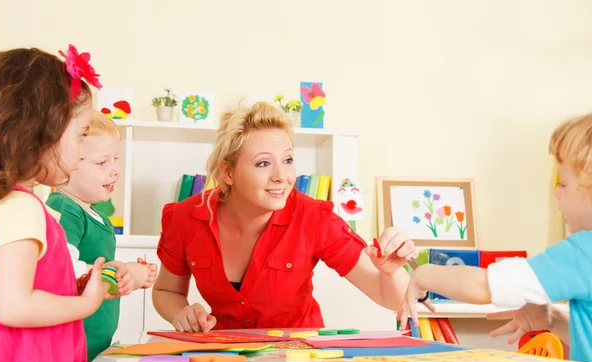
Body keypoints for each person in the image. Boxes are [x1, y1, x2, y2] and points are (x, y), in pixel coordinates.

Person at [152, 101, 424, 332]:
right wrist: (181, 313)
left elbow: (391, 298)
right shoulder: (186, 218)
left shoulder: (314, 219)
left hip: (298, 360)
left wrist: (389, 271)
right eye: (263, 163)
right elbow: (167, 292)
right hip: (224, 357)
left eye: (288, 160)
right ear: (227, 173)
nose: (282, 176)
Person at [398, 113, 592, 362]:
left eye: (563, 184)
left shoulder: (581, 253)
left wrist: (425, 274)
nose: (556, 192)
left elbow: (484, 285)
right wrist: (552, 320)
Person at [0, 45, 106, 362]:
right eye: (81, 134)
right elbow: (13, 305)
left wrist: (72, 286)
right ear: (40, 133)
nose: (84, 151)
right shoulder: (21, 208)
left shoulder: (15, 204)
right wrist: (86, 304)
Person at [46, 111, 158, 362]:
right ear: (67, 163)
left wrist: (132, 276)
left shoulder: (98, 217)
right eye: (101, 163)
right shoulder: (65, 209)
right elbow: (63, 269)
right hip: (72, 344)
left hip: (93, 343)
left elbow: (101, 270)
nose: (115, 170)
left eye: (115, 159)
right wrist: (121, 272)